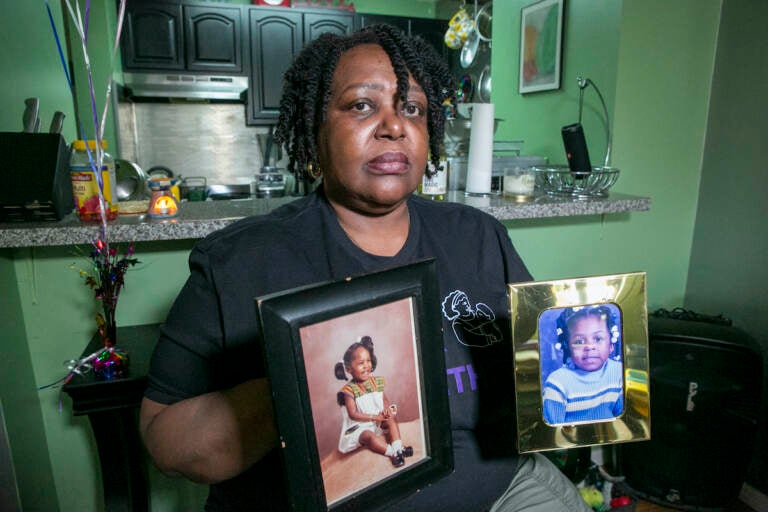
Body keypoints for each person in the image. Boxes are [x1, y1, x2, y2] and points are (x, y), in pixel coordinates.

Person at [139, 24, 591, 511]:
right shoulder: (239, 261)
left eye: (411, 108)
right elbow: (167, 445)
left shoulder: (478, 234)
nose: (394, 125)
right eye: (361, 105)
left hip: (500, 492)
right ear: (316, 131)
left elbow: (542, 363)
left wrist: (584, 370)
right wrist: (300, 384)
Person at [334, 336, 413, 467]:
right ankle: (392, 453)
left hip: (377, 419)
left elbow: (384, 400)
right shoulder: (349, 390)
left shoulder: (377, 382)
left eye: (368, 361)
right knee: (368, 436)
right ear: (349, 369)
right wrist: (374, 417)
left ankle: (399, 448)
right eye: (360, 363)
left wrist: (387, 411)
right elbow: (353, 414)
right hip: (359, 427)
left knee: (392, 420)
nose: (366, 366)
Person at [542, 305, 624, 424]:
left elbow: (623, 421)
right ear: (568, 347)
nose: (589, 347)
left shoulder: (618, 372)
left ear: (611, 345)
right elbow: (553, 434)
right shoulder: (558, 383)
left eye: (598, 339)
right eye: (579, 341)